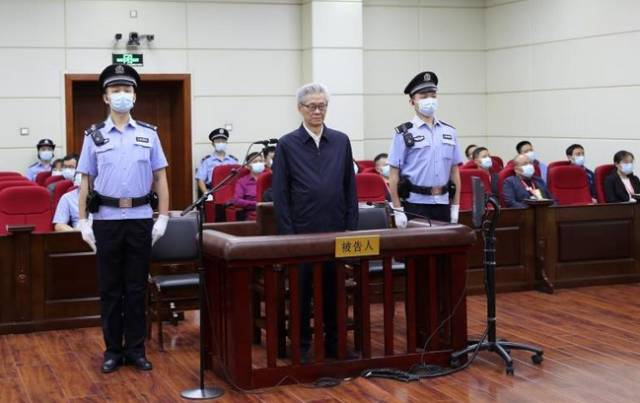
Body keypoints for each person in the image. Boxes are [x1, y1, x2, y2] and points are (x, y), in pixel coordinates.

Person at [76, 64, 170, 374]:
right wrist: (83, 221)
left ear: (134, 96)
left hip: (140, 218)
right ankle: (113, 351)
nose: (122, 95)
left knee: (136, 288)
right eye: (116, 90)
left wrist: (163, 218)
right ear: (105, 97)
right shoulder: (94, 136)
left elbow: (161, 178)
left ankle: (136, 350)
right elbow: (85, 180)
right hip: (106, 220)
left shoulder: (148, 133)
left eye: (127, 90)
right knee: (110, 290)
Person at [272, 83, 358, 362]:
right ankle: (301, 348)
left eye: (322, 106)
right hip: (302, 233)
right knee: (301, 295)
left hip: (336, 231)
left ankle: (335, 345)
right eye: (312, 106)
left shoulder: (341, 141)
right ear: (300, 109)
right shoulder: (287, 144)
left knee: (335, 293)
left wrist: (351, 229)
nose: (318, 111)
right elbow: (281, 194)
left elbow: (349, 187)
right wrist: (289, 236)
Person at [388, 71, 462, 227]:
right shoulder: (403, 133)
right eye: (423, 96)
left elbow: (454, 171)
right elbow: (394, 175)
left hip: (443, 202)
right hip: (415, 204)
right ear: (412, 102)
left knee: (444, 243)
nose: (430, 100)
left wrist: (455, 206)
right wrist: (398, 210)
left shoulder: (449, 131)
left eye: (433, 96)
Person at [195, 128, 238, 194]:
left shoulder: (233, 161)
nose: (221, 143)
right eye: (217, 141)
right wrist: (206, 194)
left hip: (230, 192)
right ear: (213, 144)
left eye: (223, 141)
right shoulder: (207, 161)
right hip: (213, 191)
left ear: (226, 143)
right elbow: (200, 179)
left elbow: (238, 179)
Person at [232, 152, 265, 220]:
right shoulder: (242, 182)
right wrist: (256, 204)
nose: (258, 163)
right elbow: (237, 200)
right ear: (247, 166)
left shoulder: (270, 178)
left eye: (260, 161)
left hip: (271, 211)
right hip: (252, 214)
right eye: (255, 162)